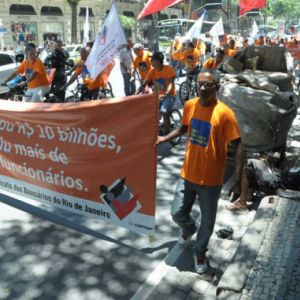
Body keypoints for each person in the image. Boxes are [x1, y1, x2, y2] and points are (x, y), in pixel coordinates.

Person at [156, 71, 244, 274]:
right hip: (188, 173)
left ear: (217, 88)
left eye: (208, 84)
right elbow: (183, 127)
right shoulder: (190, 105)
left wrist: (238, 178)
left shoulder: (225, 113)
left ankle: (199, 252)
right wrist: (165, 138)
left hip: (211, 180)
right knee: (176, 212)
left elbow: (238, 145)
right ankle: (188, 228)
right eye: (200, 84)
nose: (203, 88)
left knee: (207, 223)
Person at [136, 52, 176, 134]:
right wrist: (135, 94)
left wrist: (167, 93)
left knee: (164, 111)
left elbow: (171, 83)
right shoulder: (151, 71)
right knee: (149, 111)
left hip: (169, 96)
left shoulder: (169, 69)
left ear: (158, 61)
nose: (151, 61)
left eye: (152, 60)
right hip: (157, 96)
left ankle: (167, 133)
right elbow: (144, 84)